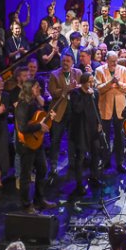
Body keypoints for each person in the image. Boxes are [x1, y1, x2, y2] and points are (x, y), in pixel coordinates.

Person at [14, 80, 56, 213]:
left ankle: (39, 199)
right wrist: (39, 126)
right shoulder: (22, 105)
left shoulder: (34, 103)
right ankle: (26, 204)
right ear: (29, 89)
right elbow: (22, 127)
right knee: (25, 176)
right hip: (26, 144)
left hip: (37, 142)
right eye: (36, 86)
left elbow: (40, 120)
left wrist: (50, 119)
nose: (39, 88)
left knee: (43, 169)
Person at [95, 51, 126, 174]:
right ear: (106, 60)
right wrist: (110, 83)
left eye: (116, 61)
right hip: (106, 107)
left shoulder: (122, 69)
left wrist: (118, 83)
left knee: (120, 137)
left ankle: (120, 162)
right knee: (105, 137)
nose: (114, 63)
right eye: (112, 61)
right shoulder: (99, 70)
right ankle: (105, 161)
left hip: (120, 108)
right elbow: (99, 89)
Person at [67, 72, 102, 195]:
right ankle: (79, 184)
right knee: (81, 156)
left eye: (93, 81)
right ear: (83, 82)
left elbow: (96, 108)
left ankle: (94, 177)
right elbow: (78, 109)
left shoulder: (95, 93)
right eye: (89, 81)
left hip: (93, 127)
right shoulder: (75, 93)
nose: (92, 84)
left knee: (96, 152)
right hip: (81, 129)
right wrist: (87, 96)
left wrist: (99, 122)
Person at [47, 53, 81, 181]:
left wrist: (74, 88)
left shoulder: (78, 73)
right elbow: (53, 91)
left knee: (73, 138)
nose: (65, 63)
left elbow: (81, 87)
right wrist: (68, 89)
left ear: (72, 62)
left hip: (74, 110)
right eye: (63, 60)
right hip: (59, 111)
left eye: (68, 61)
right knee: (56, 139)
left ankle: (72, 162)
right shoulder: (54, 74)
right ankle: (54, 166)